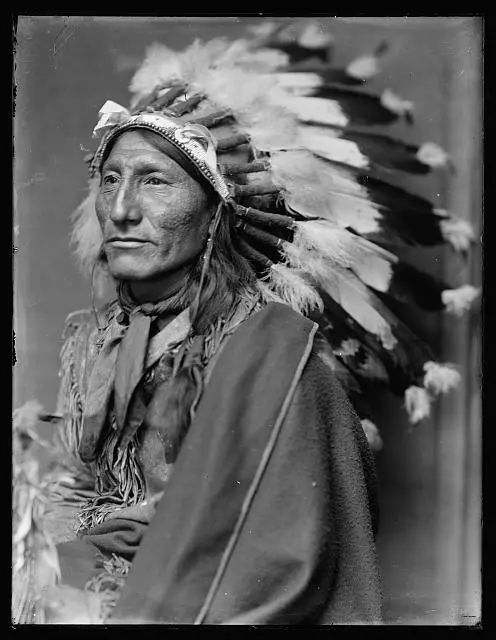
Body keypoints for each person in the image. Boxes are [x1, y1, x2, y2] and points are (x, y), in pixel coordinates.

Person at [16, 27, 477, 625]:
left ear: (216, 213)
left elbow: (293, 554)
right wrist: (87, 532)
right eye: (111, 179)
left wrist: (177, 528)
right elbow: (68, 493)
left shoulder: (273, 350)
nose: (123, 208)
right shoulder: (91, 341)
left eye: (154, 180)